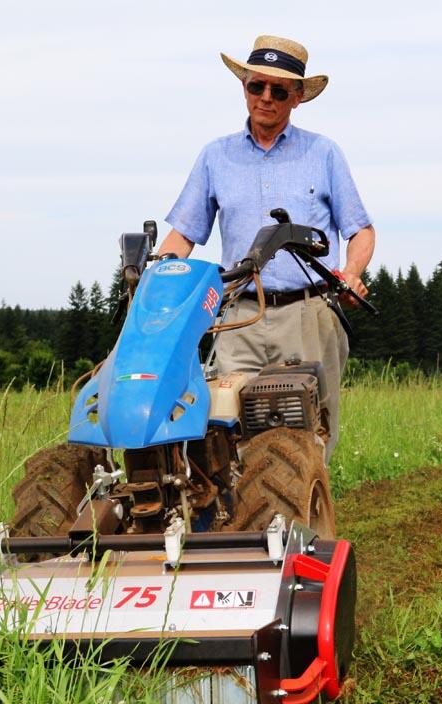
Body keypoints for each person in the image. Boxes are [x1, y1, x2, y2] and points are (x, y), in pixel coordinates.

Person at [157, 35, 375, 460]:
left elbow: (361, 230)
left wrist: (351, 272)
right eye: (257, 86)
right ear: (244, 88)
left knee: (311, 433)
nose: (266, 98)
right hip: (239, 316)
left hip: (310, 313)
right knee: (225, 429)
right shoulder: (214, 157)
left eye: (279, 91)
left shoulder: (324, 153)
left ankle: (306, 520)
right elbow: (183, 233)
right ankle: (243, 523)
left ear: (297, 98)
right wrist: (161, 272)